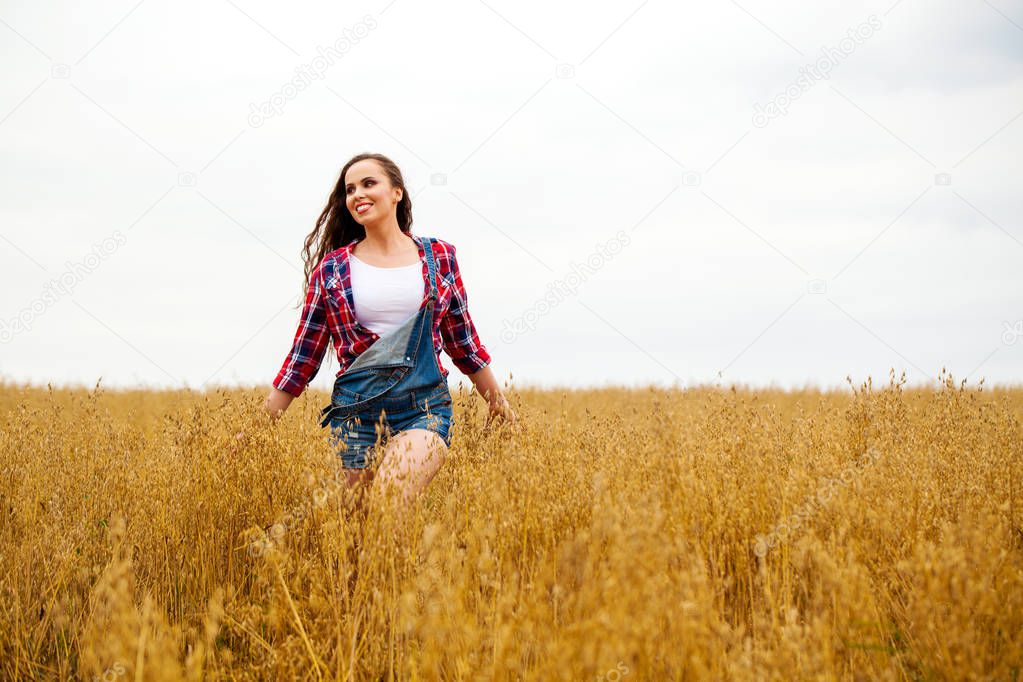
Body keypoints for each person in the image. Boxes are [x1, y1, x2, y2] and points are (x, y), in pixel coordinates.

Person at [258, 152, 517, 510]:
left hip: (423, 408)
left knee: (390, 501)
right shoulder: (331, 270)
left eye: (368, 183)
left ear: (396, 191)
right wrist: (258, 427)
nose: (357, 195)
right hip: (356, 414)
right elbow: (303, 359)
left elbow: (463, 341)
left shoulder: (440, 257)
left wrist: (498, 403)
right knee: (356, 542)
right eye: (349, 190)